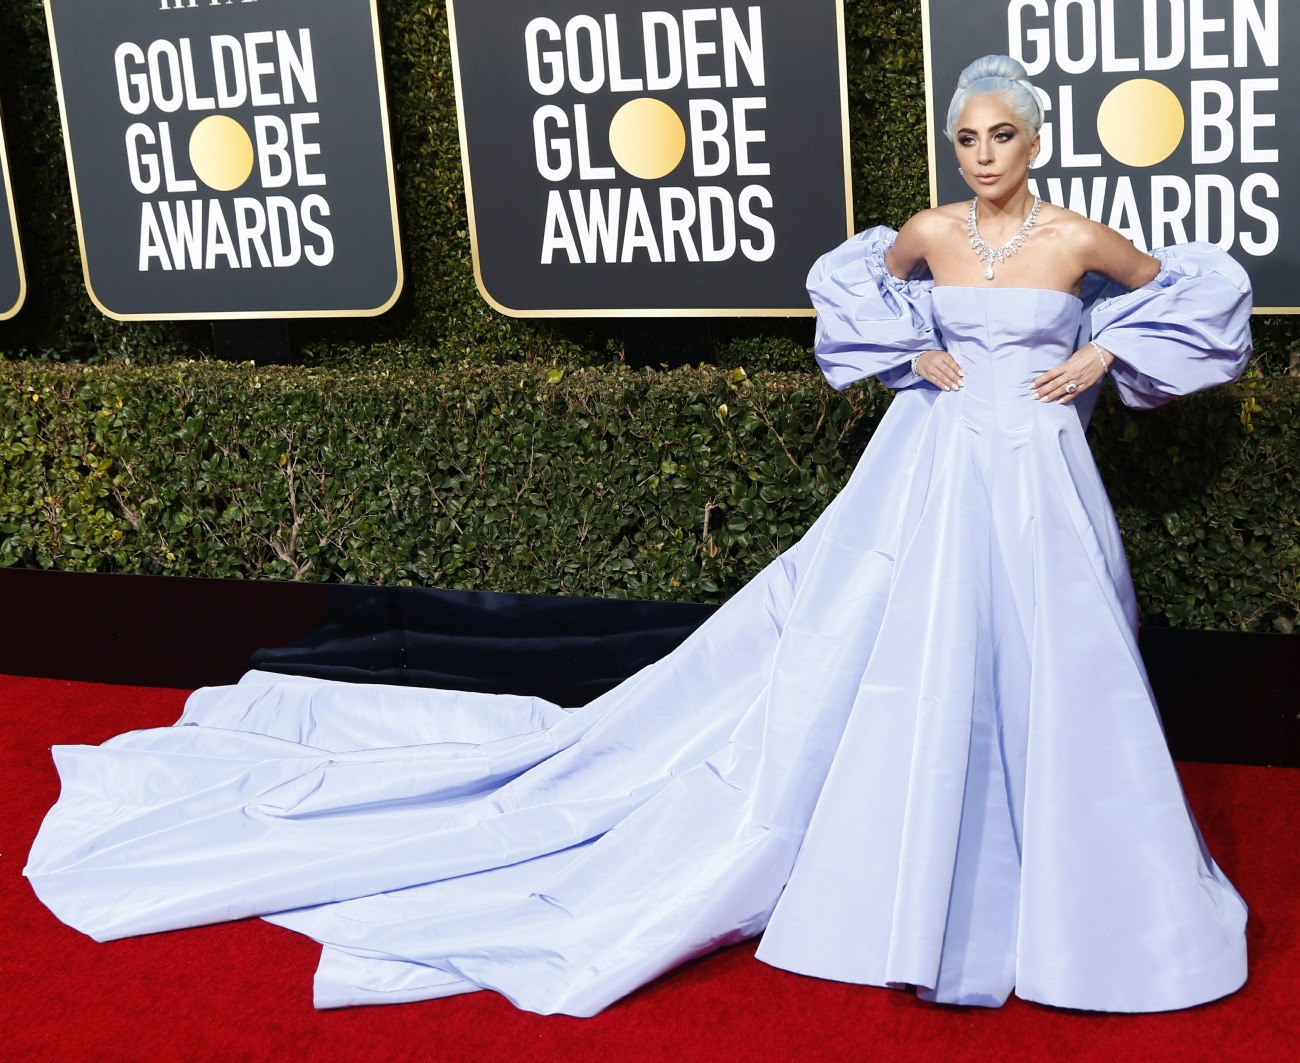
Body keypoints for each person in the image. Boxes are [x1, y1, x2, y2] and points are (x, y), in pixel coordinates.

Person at [26, 55, 1251, 1017]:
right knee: (911, 661)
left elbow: (1198, 294)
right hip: (928, 475)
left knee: (1060, 667)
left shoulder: (1079, 239)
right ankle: (905, 879)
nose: (985, 155)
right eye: (967, 137)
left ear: (1036, 141)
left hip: (1038, 480)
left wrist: (1104, 345)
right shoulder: (927, 232)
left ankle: (1076, 895)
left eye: (1003, 135)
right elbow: (846, 290)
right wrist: (907, 350)